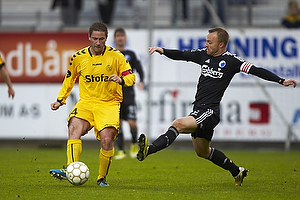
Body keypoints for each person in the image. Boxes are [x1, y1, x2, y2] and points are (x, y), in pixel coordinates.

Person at [137, 27, 297, 186]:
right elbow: (182, 55)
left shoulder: (232, 61)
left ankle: (148, 150)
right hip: (199, 109)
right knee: (203, 152)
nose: (206, 44)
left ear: (221, 44)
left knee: (178, 124)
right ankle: (237, 171)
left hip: (209, 111)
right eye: (206, 41)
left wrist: (280, 80)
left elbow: (256, 70)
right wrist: (162, 50)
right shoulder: (203, 55)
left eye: (209, 42)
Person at [49, 22, 136, 187]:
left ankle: (101, 178)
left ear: (106, 39)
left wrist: (121, 79)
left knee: (107, 140)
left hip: (109, 103)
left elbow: (131, 78)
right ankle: (71, 169)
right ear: (89, 38)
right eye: (94, 38)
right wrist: (60, 100)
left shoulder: (116, 56)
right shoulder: (78, 57)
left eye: (101, 39)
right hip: (86, 102)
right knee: (73, 127)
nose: (97, 42)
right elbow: (69, 79)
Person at [113, 27, 145, 159]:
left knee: (132, 123)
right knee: (118, 123)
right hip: (115, 94)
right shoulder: (111, 54)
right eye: (118, 36)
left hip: (129, 93)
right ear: (114, 39)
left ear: (125, 38)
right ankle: (121, 150)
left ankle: (133, 144)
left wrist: (142, 81)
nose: (120, 38)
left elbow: (139, 68)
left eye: (122, 35)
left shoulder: (131, 54)